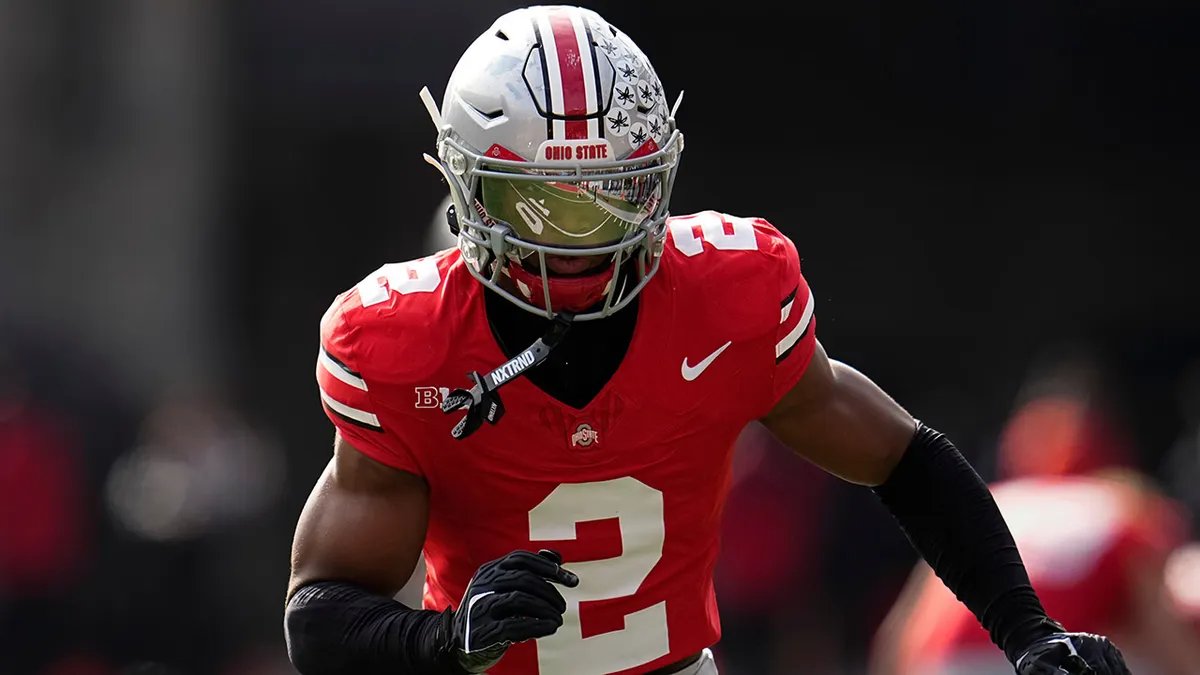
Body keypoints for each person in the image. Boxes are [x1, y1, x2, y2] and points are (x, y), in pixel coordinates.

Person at [282, 6, 1131, 674]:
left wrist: (1028, 631)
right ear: (465, 189)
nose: (577, 240)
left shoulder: (728, 295)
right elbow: (319, 613)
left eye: (610, 196)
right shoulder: (407, 342)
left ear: (660, 177)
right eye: (539, 204)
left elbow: (903, 460)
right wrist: (443, 640)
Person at [868, 352, 1200, 675]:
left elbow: (903, 633)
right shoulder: (1125, 507)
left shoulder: (987, 505)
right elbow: (1166, 634)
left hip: (946, 663)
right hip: (1039, 658)